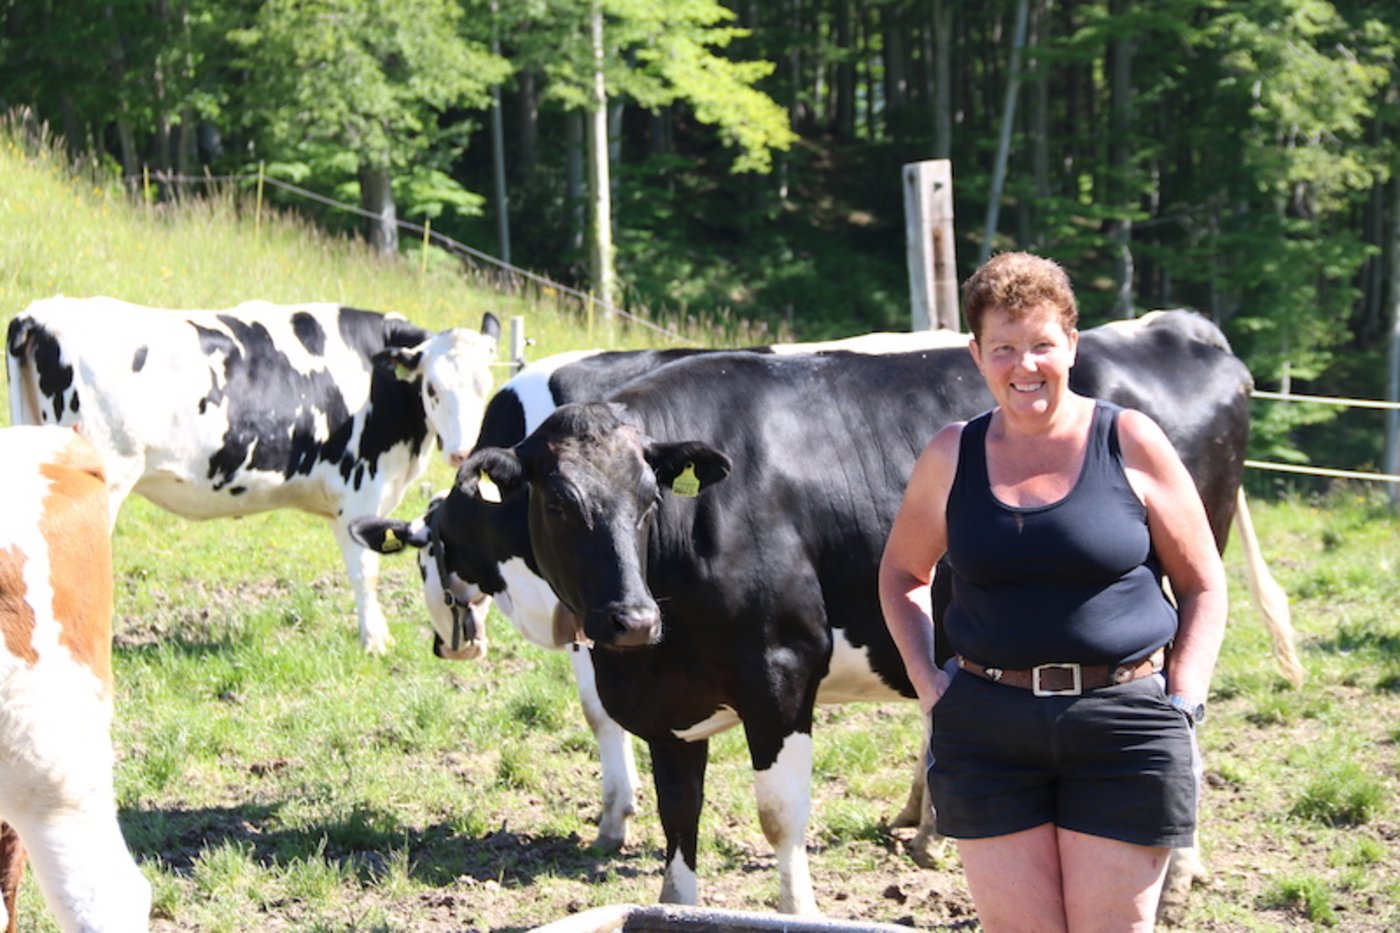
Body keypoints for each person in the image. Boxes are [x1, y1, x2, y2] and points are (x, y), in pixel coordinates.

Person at [878, 251, 1227, 932]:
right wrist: (928, 683)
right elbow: (900, 575)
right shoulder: (952, 454)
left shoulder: (1129, 440)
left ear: (1072, 343)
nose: (1025, 365)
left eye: (1042, 343)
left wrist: (1184, 698)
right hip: (987, 731)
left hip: (1123, 725)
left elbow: (1204, 583)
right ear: (976, 353)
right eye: (1004, 347)